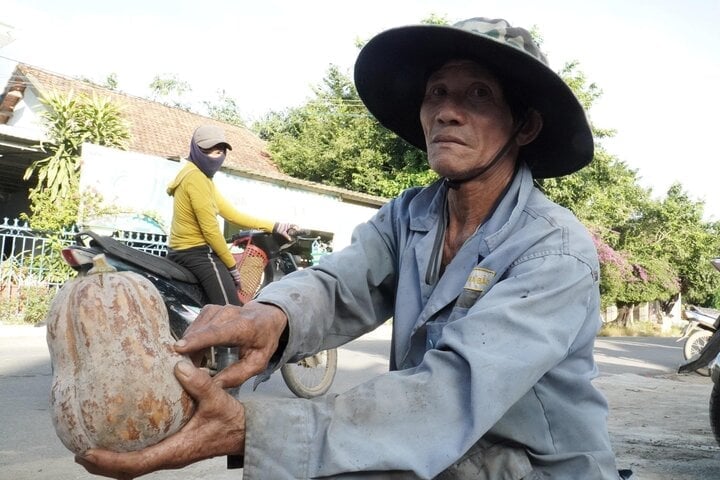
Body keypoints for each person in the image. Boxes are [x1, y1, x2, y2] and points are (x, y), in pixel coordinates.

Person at [76, 18, 626, 479]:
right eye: (437, 93)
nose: (446, 112)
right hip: (453, 458)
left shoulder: (554, 252)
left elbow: (448, 397)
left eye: (478, 95)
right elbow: (341, 284)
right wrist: (271, 317)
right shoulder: (410, 214)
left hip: (536, 468)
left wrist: (250, 430)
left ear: (525, 125)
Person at [165, 124, 295, 306]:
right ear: (196, 149)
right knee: (232, 312)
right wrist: (232, 266)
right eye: (209, 150)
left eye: (220, 152)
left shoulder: (199, 177)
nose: (215, 156)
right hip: (195, 254)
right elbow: (210, 230)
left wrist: (274, 226)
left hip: (182, 251)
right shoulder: (196, 178)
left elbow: (232, 215)